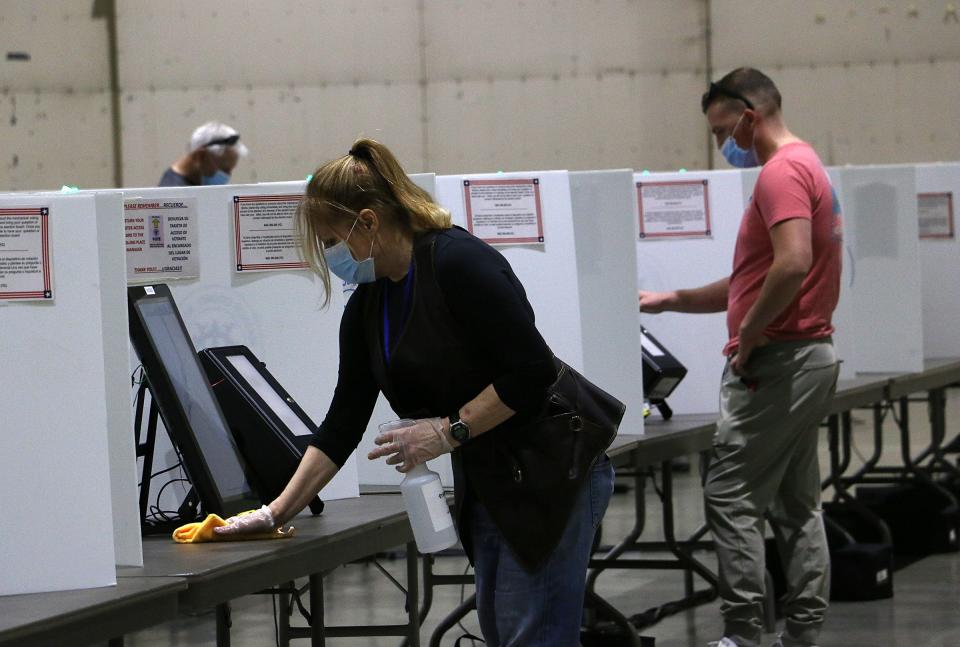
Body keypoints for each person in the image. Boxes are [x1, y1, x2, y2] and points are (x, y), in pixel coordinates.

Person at [215, 138, 615, 646]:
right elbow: (344, 420)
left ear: (368, 221)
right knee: (507, 628)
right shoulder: (369, 304)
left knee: (532, 636)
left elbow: (532, 370)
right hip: (493, 474)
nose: (329, 254)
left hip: (554, 467)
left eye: (331, 239)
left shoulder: (461, 263)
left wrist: (449, 432)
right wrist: (275, 511)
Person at [640, 68, 842, 647]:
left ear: (749, 116)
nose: (722, 145)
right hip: (808, 358)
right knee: (798, 505)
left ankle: (743, 635)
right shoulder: (809, 165)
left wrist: (751, 334)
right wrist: (674, 299)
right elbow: (759, 275)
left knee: (731, 495)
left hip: (776, 363)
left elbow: (793, 264)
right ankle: (801, 634)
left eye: (721, 130)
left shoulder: (780, 173)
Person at [158, 121, 249, 187]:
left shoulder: (194, 187)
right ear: (200, 156)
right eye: (224, 169)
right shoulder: (176, 196)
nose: (227, 176)